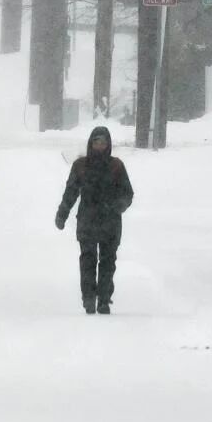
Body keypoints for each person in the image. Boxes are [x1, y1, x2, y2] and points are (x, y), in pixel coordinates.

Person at [55, 126, 134, 314]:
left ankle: (104, 299)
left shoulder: (116, 166)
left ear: (108, 145)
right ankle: (89, 298)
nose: (100, 146)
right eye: (96, 142)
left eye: (103, 142)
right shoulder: (80, 166)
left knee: (108, 262)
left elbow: (127, 193)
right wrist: (62, 214)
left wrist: (116, 207)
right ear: (91, 144)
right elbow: (71, 192)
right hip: (87, 221)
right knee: (88, 260)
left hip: (110, 223)